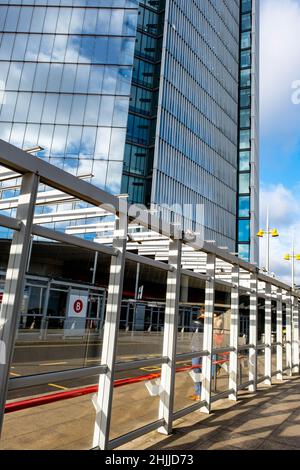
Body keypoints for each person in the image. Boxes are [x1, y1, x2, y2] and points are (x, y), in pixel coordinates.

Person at [189, 307, 205, 401]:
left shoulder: (197, 321)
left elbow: (192, 330)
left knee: (196, 369)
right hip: (203, 347)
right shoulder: (209, 322)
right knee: (201, 369)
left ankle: (199, 393)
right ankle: (200, 392)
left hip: (196, 347)